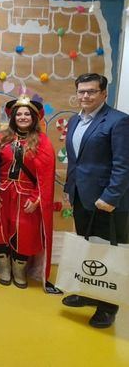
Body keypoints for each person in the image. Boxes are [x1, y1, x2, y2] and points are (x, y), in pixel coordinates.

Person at [61, 73, 129, 328]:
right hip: (82, 197)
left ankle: (108, 307)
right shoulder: (75, 120)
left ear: (104, 94)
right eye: (81, 92)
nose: (85, 96)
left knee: (109, 253)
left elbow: (124, 165)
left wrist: (110, 197)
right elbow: (76, 161)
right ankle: (89, 292)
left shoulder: (119, 121)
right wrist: (69, 189)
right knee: (88, 248)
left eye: (91, 91)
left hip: (108, 201)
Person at [0, 95, 59, 292]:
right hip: (0, 194)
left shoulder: (43, 142)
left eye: (27, 114)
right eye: (19, 114)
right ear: (12, 117)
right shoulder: (0, 138)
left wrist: (37, 199)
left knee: (25, 233)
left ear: (34, 118)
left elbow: (46, 175)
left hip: (26, 197)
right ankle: (3, 267)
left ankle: (19, 270)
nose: (23, 117)